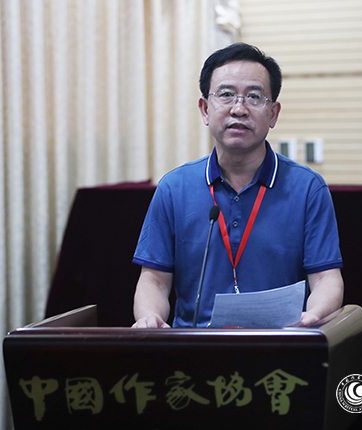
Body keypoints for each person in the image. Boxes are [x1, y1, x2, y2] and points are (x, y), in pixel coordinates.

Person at [132, 43, 344, 328]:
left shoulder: (308, 188)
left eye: (254, 97)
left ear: (273, 113)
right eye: (226, 95)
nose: (239, 109)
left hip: (280, 342)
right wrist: (150, 319)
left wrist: (314, 316)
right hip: (195, 346)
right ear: (205, 109)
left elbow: (326, 278)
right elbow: (154, 280)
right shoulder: (174, 188)